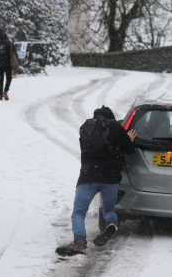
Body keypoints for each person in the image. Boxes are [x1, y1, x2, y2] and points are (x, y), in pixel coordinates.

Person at [56, 106, 137, 256]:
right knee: (108, 210)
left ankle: (79, 242)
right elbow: (129, 150)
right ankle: (112, 223)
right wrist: (129, 140)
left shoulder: (86, 127)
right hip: (110, 178)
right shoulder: (115, 126)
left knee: (79, 212)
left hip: (88, 177)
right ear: (110, 117)